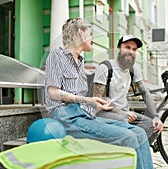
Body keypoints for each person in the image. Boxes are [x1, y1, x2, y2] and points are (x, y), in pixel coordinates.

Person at [45, 18, 153, 169]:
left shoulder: (80, 61)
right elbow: (53, 93)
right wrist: (88, 100)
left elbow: (86, 96)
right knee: (129, 137)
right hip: (67, 117)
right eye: (89, 34)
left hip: (85, 115)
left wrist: (99, 103)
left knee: (140, 133)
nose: (92, 40)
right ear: (80, 33)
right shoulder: (57, 55)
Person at [92, 35, 163, 145]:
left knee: (152, 126)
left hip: (125, 112)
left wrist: (155, 116)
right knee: (124, 123)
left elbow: (145, 93)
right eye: (127, 47)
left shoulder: (134, 69)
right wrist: (121, 113)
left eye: (134, 49)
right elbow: (98, 101)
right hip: (103, 113)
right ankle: (125, 157)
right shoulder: (105, 67)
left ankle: (136, 153)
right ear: (119, 49)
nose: (131, 51)